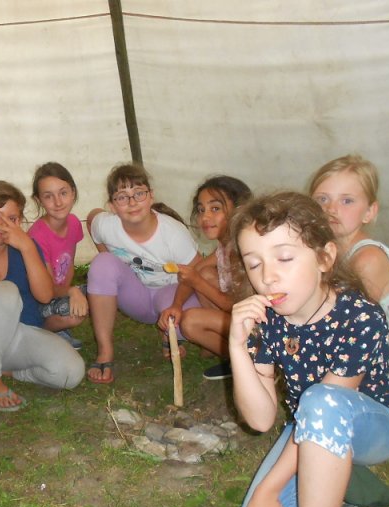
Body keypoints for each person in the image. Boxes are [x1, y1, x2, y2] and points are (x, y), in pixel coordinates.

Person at [229, 192, 389, 507]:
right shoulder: (269, 321)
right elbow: (260, 419)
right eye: (254, 263)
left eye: (284, 257)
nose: (268, 277)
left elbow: (327, 403)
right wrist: (237, 347)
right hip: (312, 427)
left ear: (325, 258)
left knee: (320, 402)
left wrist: (267, 489)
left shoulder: (360, 316)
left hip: (378, 426)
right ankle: (336, 480)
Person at [0, 180, 85, 411]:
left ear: (19, 222)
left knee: (71, 373)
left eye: (11, 218)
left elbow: (45, 296)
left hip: (18, 336)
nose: (3, 224)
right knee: (5, 290)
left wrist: (27, 247)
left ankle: (7, 371)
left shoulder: (26, 248)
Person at [308, 154, 389, 402]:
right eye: (322, 199)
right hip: (359, 353)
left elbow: (346, 326)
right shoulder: (325, 250)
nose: (331, 209)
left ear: (369, 212)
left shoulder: (368, 259)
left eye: (347, 200)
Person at [86, 163, 200, 384]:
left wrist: (177, 304)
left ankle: (168, 336)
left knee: (182, 327)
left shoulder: (173, 233)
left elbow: (197, 271)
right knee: (102, 263)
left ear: (151, 196)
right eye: (122, 197)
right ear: (112, 206)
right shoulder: (107, 225)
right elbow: (92, 218)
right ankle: (105, 352)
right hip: (136, 296)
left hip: (170, 295)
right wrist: (110, 265)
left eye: (139, 193)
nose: (132, 202)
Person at [158, 175, 251, 380]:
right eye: (201, 210)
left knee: (190, 322)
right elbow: (193, 273)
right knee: (205, 273)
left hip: (261, 327)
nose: (205, 217)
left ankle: (248, 361)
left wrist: (197, 281)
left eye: (215, 208)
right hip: (244, 320)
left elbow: (237, 306)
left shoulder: (244, 250)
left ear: (239, 210)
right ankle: (224, 345)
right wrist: (176, 306)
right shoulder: (224, 246)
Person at [27, 162, 87, 350]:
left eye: (63, 193)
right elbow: (46, 291)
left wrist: (71, 290)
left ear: (73, 192)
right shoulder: (37, 236)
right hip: (37, 300)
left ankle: (59, 328)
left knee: (99, 292)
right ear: (39, 200)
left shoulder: (74, 223)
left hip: (57, 293)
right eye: (48, 196)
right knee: (75, 312)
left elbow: (69, 266)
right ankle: (40, 331)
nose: (58, 202)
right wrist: (72, 292)